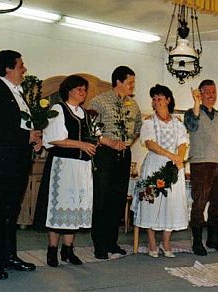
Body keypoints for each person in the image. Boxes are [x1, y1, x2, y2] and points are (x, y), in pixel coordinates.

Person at [0, 50, 41, 279]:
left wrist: (34, 139)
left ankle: (8, 256)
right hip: (0, 164)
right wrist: (27, 138)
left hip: (17, 163)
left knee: (10, 213)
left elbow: (19, 126)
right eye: (21, 65)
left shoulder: (18, 93)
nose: (24, 69)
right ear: (8, 68)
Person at [35, 75, 96, 267]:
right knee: (59, 206)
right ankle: (52, 250)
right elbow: (53, 139)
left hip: (81, 167)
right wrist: (81, 144)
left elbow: (90, 137)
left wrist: (93, 143)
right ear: (69, 90)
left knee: (75, 207)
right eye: (79, 89)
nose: (82, 93)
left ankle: (68, 250)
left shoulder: (85, 114)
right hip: (64, 165)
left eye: (84, 90)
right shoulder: (58, 110)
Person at [89, 66, 142, 259]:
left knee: (118, 199)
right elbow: (91, 128)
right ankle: (99, 244)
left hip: (123, 156)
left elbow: (138, 126)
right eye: (130, 82)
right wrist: (108, 142)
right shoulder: (100, 101)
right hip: (104, 154)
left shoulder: (133, 105)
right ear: (118, 82)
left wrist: (128, 143)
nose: (132, 86)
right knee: (102, 199)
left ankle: (112, 242)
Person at [132, 84, 188, 258]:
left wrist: (178, 158)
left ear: (168, 100)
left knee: (171, 204)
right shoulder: (149, 122)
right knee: (151, 202)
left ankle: (166, 242)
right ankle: (152, 243)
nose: (156, 102)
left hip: (173, 167)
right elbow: (150, 144)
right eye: (154, 99)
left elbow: (183, 143)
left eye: (160, 98)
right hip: (155, 165)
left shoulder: (177, 123)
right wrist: (170, 155)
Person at [184, 79, 218, 256]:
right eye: (207, 92)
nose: (211, 95)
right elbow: (191, 126)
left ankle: (213, 239)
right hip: (200, 163)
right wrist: (196, 103)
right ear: (200, 93)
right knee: (199, 203)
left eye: (213, 92)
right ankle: (197, 242)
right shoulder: (191, 113)